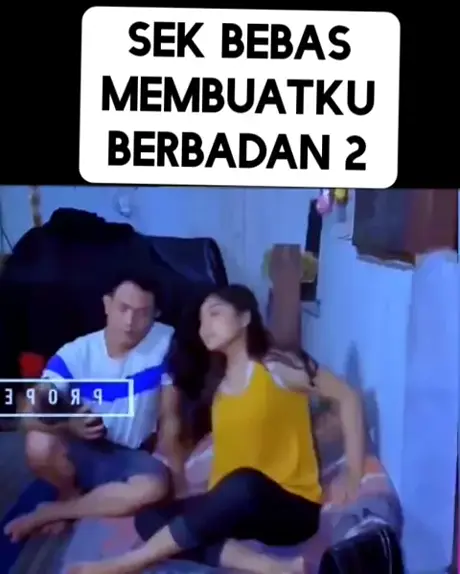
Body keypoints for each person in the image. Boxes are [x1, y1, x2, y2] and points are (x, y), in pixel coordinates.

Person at [61, 283, 366, 574]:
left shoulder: (277, 366)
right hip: (235, 508)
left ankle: (125, 564)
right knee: (149, 518)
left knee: (243, 482)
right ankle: (273, 568)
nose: (205, 326)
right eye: (201, 319)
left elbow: (347, 397)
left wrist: (353, 471)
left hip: (289, 509)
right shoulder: (219, 387)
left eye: (216, 313)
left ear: (244, 318)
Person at [4, 271, 185, 541]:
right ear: (107, 304)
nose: (130, 322)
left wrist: (177, 474)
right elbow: (28, 413)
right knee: (38, 443)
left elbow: (171, 416)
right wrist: (69, 424)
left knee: (154, 487)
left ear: (156, 314)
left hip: (130, 455)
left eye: (142, 313)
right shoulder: (74, 354)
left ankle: (56, 511)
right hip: (83, 447)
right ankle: (69, 493)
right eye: (123, 308)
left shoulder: (166, 343)